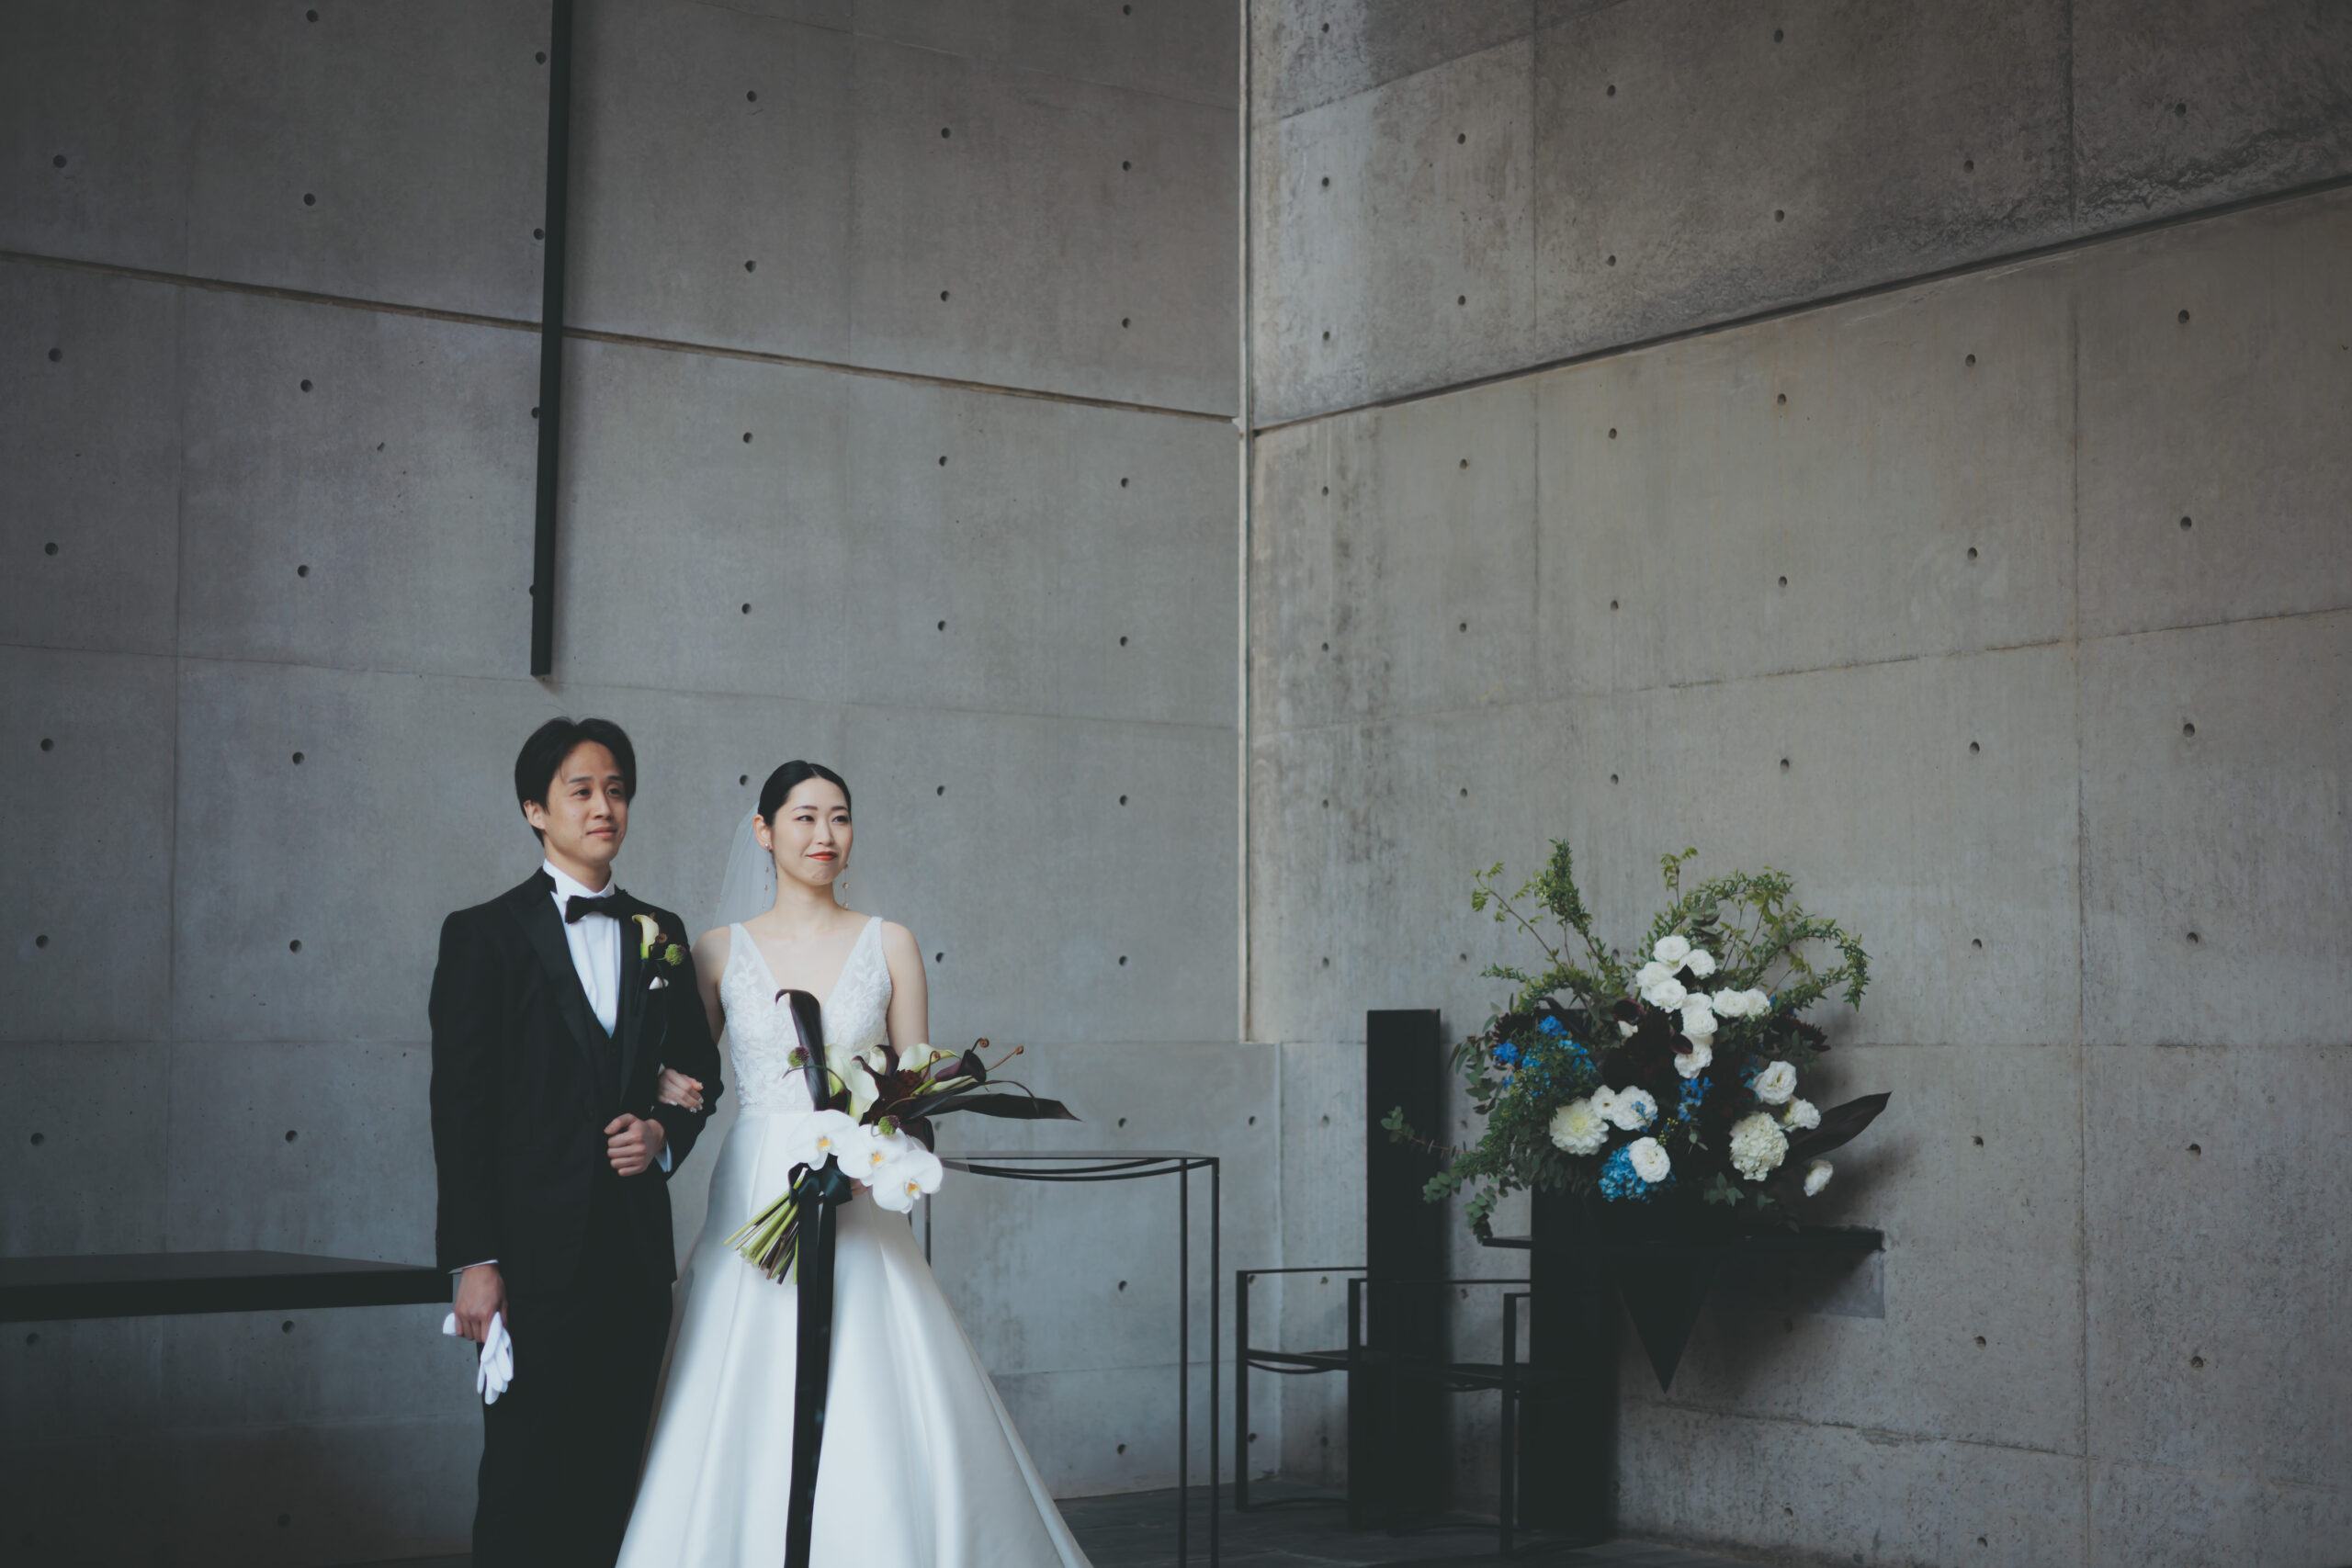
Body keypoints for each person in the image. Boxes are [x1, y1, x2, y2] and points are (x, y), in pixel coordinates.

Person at [616, 761, 1092, 1567]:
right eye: (803, 817)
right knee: (741, 1357)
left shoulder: (890, 942)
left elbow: (917, 1083)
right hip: (758, 1181)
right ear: (764, 830)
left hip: (860, 1184)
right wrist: (661, 1089)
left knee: (872, 1364)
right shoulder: (718, 951)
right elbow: (690, 1075)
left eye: (838, 816)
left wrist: (887, 1148)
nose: (824, 834)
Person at [430, 716, 724, 1567]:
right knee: (522, 1479)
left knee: (613, 1476)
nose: (605, 807)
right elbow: (459, 1109)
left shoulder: (662, 929)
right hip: (530, 1262)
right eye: (582, 790)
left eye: (617, 790)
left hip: (632, 1259)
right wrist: (475, 1259)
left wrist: (663, 1130)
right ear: (536, 809)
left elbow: (699, 1070)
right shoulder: (482, 934)